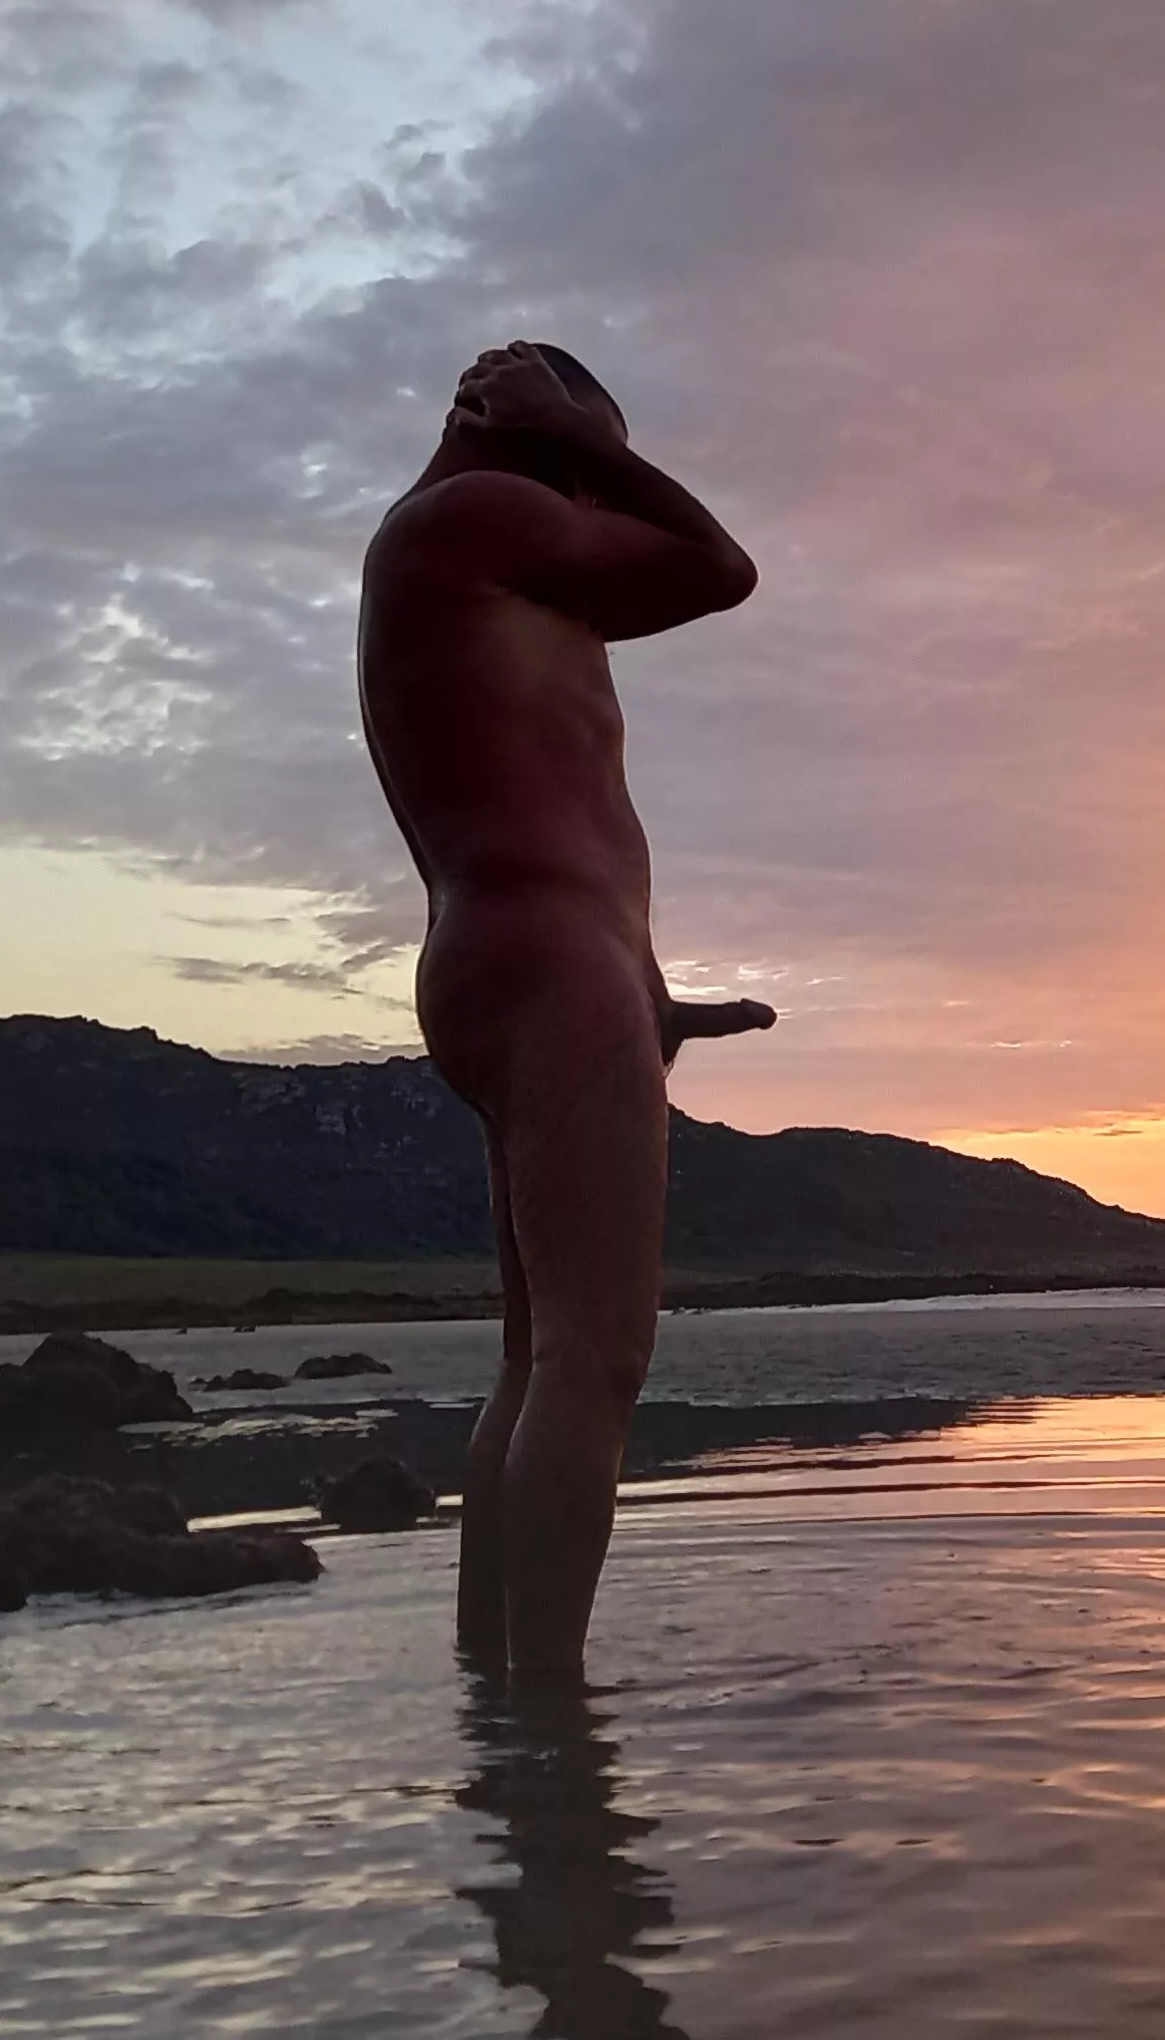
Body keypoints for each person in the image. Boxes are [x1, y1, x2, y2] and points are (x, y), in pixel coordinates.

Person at [357, 340, 771, 1690]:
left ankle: (495, 1695)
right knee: (600, 1360)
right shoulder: (475, 513)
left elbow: (549, 792)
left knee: (538, 1358)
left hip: (523, 956)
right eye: (591, 464)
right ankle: (552, 1727)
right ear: (522, 423)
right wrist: (579, 437)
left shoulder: (466, 557)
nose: (597, 499)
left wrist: (645, 994)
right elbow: (717, 567)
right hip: (542, 957)